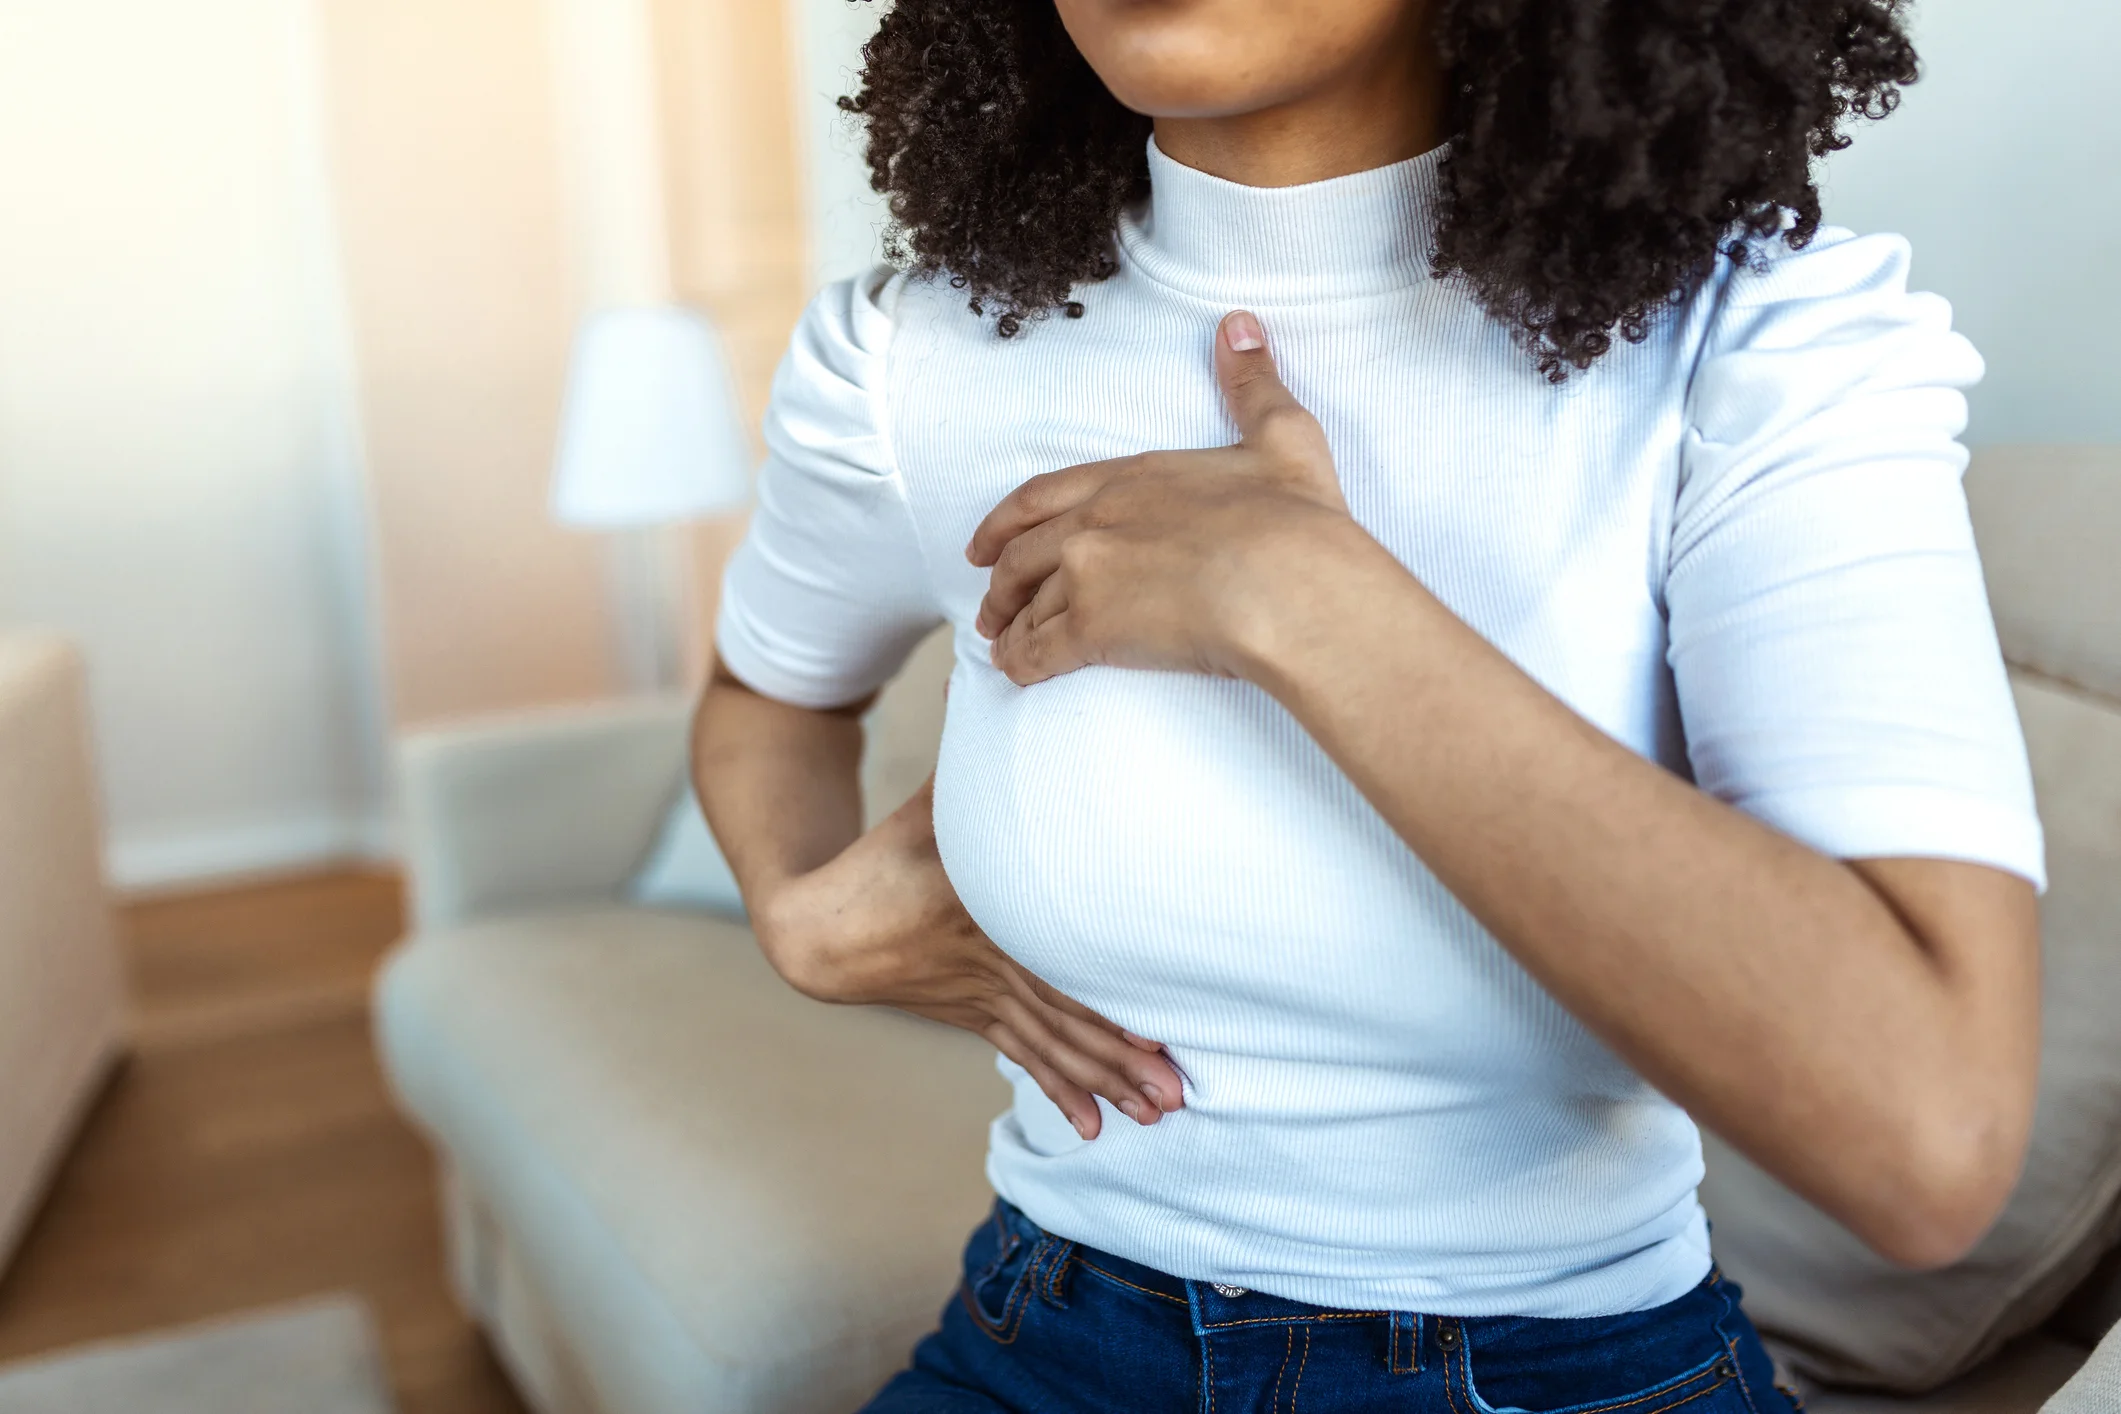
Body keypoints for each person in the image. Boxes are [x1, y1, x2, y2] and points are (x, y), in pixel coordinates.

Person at [690, 0, 2046, 1407]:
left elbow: (1929, 1137)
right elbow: (767, 695)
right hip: (1040, 1333)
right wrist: (796, 910)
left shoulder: (1758, 347)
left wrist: (1305, 601)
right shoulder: (914, 360)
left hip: (1565, 1368)